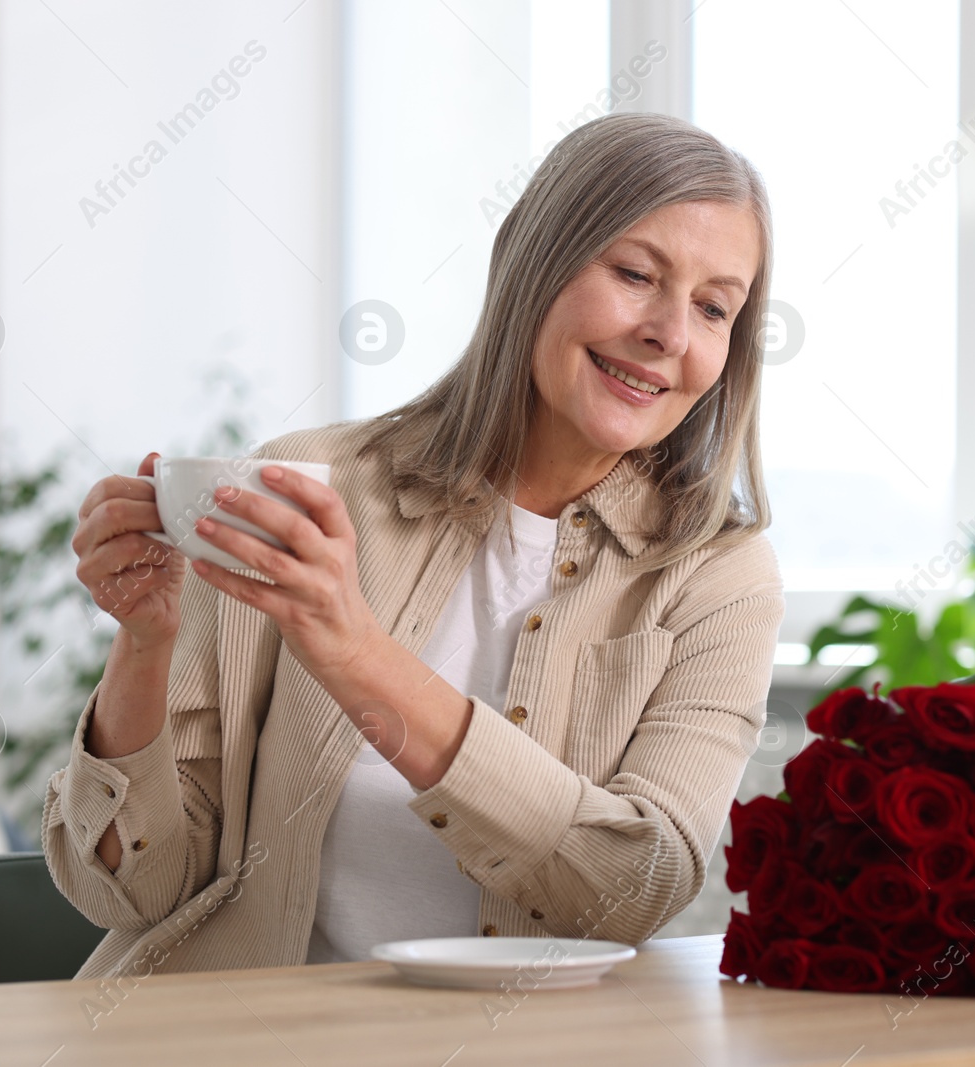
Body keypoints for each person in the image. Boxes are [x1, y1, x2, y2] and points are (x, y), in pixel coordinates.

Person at [43, 111, 785, 979]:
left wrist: (354, 650)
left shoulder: (721, 578)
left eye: (713, 307)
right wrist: (145, 642)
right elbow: (135, 891)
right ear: (531, 263)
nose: (670, 332)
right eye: (633, 273)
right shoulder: (304, 491)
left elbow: (634, 888)